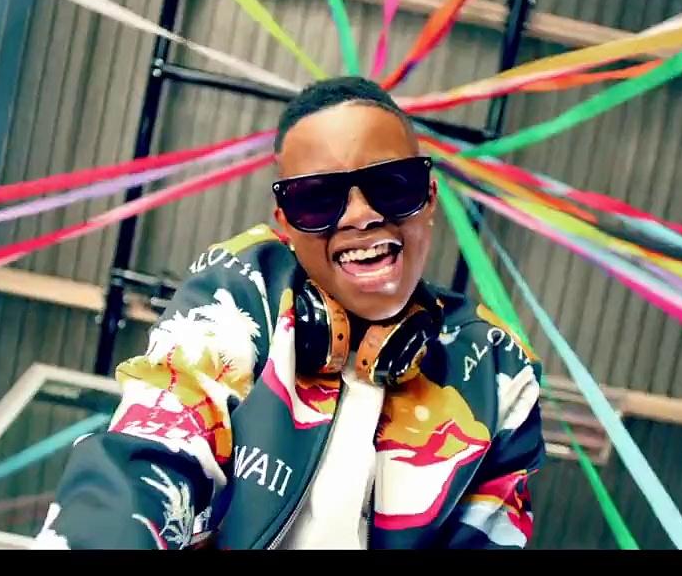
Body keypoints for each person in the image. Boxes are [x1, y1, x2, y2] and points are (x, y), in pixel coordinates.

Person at [34, 77, 545, 550]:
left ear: (429, 196)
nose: (362, 215)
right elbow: (151, 450)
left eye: (391, 185)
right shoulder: (240, 293)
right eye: (317, 199)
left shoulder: (497, 370)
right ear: (286, 224)